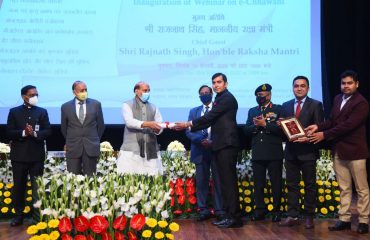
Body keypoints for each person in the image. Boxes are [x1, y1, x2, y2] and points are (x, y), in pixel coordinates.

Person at [175, 73, 242, 228]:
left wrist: (187, 124)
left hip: (226, 145)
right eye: (214, 82)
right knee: (225, 183)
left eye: (219, 82)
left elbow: (209, 117)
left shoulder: (227, 98)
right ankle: (229, 215)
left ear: (226, 84)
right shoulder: (219, 98)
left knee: (228, 183)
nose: (216, 85)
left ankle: (234, 218)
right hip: (221, 145)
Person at [306, 70, 369, 234]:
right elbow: (334, 121)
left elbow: (348, 125)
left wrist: (324, 135)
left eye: (349, 83)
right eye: (343, 83)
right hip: (339, 150)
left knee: (361, 189)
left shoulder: (361, 103)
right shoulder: (337, 98)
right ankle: (344, 219)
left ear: (356, 84)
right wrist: (318, 126)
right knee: (344, 188)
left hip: (356, 151)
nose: (346, 86)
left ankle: (363, 220)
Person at [279, 76, 324, 229]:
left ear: (308, 88)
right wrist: (281, 125)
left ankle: (309, 216)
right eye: (296, 86)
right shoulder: (285, 105)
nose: (299, 88)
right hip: (291, 152)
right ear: (292, 88)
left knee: (310, 185)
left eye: (302, 86)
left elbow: (319, 127)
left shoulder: (316, 105)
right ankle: (292, 216)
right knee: (292, 185)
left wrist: (307, 138)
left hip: (308, 151)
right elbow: (285, 130)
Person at [6, 85, 51, 226]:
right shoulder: (14, 112)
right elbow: (9, 132)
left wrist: (35, 134)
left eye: (36, 94)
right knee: (19, 187)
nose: (35, 97)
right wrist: (24, 132)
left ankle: (36, 215)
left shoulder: (42, 112)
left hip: (36, 156)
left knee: (37, 187)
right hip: (19, 156)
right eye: (32, 95)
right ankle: (18, 215)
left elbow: (48, 131)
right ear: (24, 96)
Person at [243, 83, 284, 222]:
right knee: (258, 184)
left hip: (273, 151)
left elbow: (282, 130)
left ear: (269, 95)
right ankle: (260, 210)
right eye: (258, 96)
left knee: (276, 183)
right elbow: (246, 130)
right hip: (258, 151)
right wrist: (255, 125)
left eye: (262, 95)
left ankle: (277, 211)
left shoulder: (278, 109)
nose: (260, 98)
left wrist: (265, 125)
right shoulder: (252, 111)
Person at [185, 85, 224, 221]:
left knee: (218, 181)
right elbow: (188, 131)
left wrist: (213, 141)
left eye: (207, 92)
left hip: (216, 149)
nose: (204, 95)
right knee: (201, 182)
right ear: (199, 96)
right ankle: (203, 209)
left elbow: (224, 128)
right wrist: (201, 140)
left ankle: (219, 210)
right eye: (201, 93)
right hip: (199, 149)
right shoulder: (194, 111)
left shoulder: (219, 109)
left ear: (212, 94)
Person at [116, 81, 163, 175]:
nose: (147, 93)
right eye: (145, 90)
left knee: (152, 180)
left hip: (151, 149)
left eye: (149, 91)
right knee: (130, 180)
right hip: (131, 149)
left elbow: (160, 124)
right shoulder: (127, 105)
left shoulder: (154, 107)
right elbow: (129, 122)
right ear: (136, 91)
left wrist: (159, 129)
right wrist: (148, 124)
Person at [61, 81, 105, 176]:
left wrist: (95, 140)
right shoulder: (65, 107)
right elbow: (64, 128)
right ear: (74, 92)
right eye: (81, 90)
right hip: (73, 147)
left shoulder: (96, 104)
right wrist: (71, 140)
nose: (84, 92)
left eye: (85, 90)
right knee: (73, 178)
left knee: (90, 178)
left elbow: (101, 126)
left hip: (91, 146)